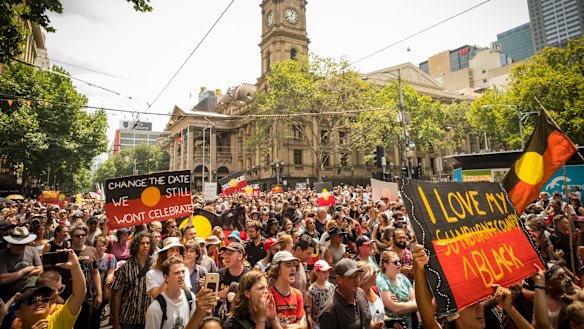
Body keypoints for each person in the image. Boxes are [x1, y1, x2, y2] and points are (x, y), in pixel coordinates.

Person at [15, 249, 86, 329]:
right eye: (32, 301)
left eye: (44, 299)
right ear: (19, 313)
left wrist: (75, 266)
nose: (39, 301)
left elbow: (79, 293)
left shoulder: (57, 320)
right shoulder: (16, 325)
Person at [145, 256, 216, 329]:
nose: (181, 276)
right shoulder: (155, 308)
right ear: (166, 277)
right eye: (177, 273)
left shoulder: (190, 297)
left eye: (183, 271)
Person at [111, 231, 155, 329]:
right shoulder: (125, 267)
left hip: (150, 319)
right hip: (128, 319)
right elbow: (117, 295)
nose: (145, 246)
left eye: (148, 243)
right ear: (136, 245)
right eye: (142, 243)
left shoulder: (155, 266)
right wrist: (115, 321)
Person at [319, 258, 378, 329]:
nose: (356, 280)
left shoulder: (361, 293)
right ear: (339, 279)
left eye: (357, 276)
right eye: (351, 277)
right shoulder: (330, 311)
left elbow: (366, 321)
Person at [69, 223, 102, 329]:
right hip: (70, 296)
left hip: (88, 296)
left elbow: (95, 273)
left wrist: (99, 293)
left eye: (83, 235)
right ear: (71, 237)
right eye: (77, 235)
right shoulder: (67, 252)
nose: (81, 237)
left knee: (87, 324)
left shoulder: (92, 250)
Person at [0, 226, 43, 301]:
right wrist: (26, 270)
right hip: (11, 294)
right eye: (19, 244)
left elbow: (40, 270)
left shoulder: (32, 250)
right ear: (11, 243)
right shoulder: (2, 255)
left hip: (32, 290)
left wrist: (15, 276)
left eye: (25, 243)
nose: (22, 247)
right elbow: (3, 279)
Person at [377, 250, 416, 328]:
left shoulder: (403, 278)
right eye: (395, 262)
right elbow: (395, 308)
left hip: (408, 324)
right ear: (385, 265)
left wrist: (401, 304)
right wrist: (412, 303)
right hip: (393, 326)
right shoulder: (380, 280)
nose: (399, 264)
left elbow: (414, 302)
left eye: (399, 261)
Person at [267, 251, 306, 327]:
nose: (293, 269)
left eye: (294, 265)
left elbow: (303, 325)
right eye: (288, 265)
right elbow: (274, 324)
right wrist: (297, 326)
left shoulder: (297, 294)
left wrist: (284, 326)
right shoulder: (269, 294)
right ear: (277, 269)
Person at [216, 242, 250, 319]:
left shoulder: (249, 276)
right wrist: (219, 294)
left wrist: (237, 299)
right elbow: (210, 298)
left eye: (230, 254)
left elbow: (255, 301)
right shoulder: (218, 274)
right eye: (225, 254)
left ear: (240, 256)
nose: (225, 257)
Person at [306, 260, 335, 329]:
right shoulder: (312, 289)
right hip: (317, 324)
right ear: (317, 272)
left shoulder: (331, 287)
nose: (327, 274)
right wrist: (309, 318)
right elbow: (309, 309)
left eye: (328, 272)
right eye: (324, 272)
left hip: (330, 322)